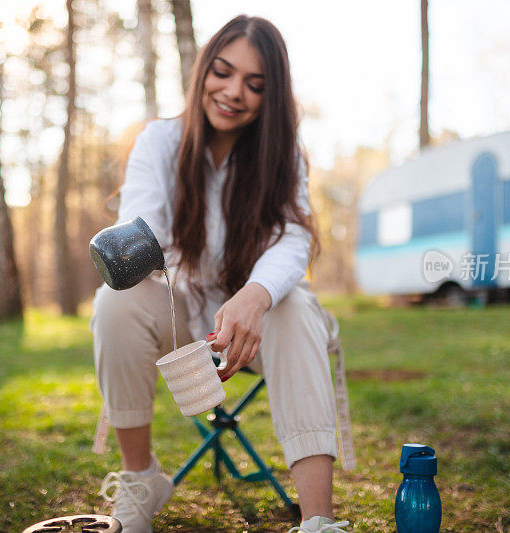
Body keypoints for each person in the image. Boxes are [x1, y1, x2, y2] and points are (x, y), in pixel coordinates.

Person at [90, 15, 350, 533]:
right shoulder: (160, 142)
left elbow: (293, 237)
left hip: (257, 332)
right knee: (113, 301)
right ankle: (141, 481)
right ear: (203, 69)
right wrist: (135, 243)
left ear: (271, 95)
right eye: (223, 73)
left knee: (294, 303)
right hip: (183, 322)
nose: (234, 93)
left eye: (255, 84)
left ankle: (318, 520)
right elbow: (147, 225)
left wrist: (256, 295)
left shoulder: (283, 156)